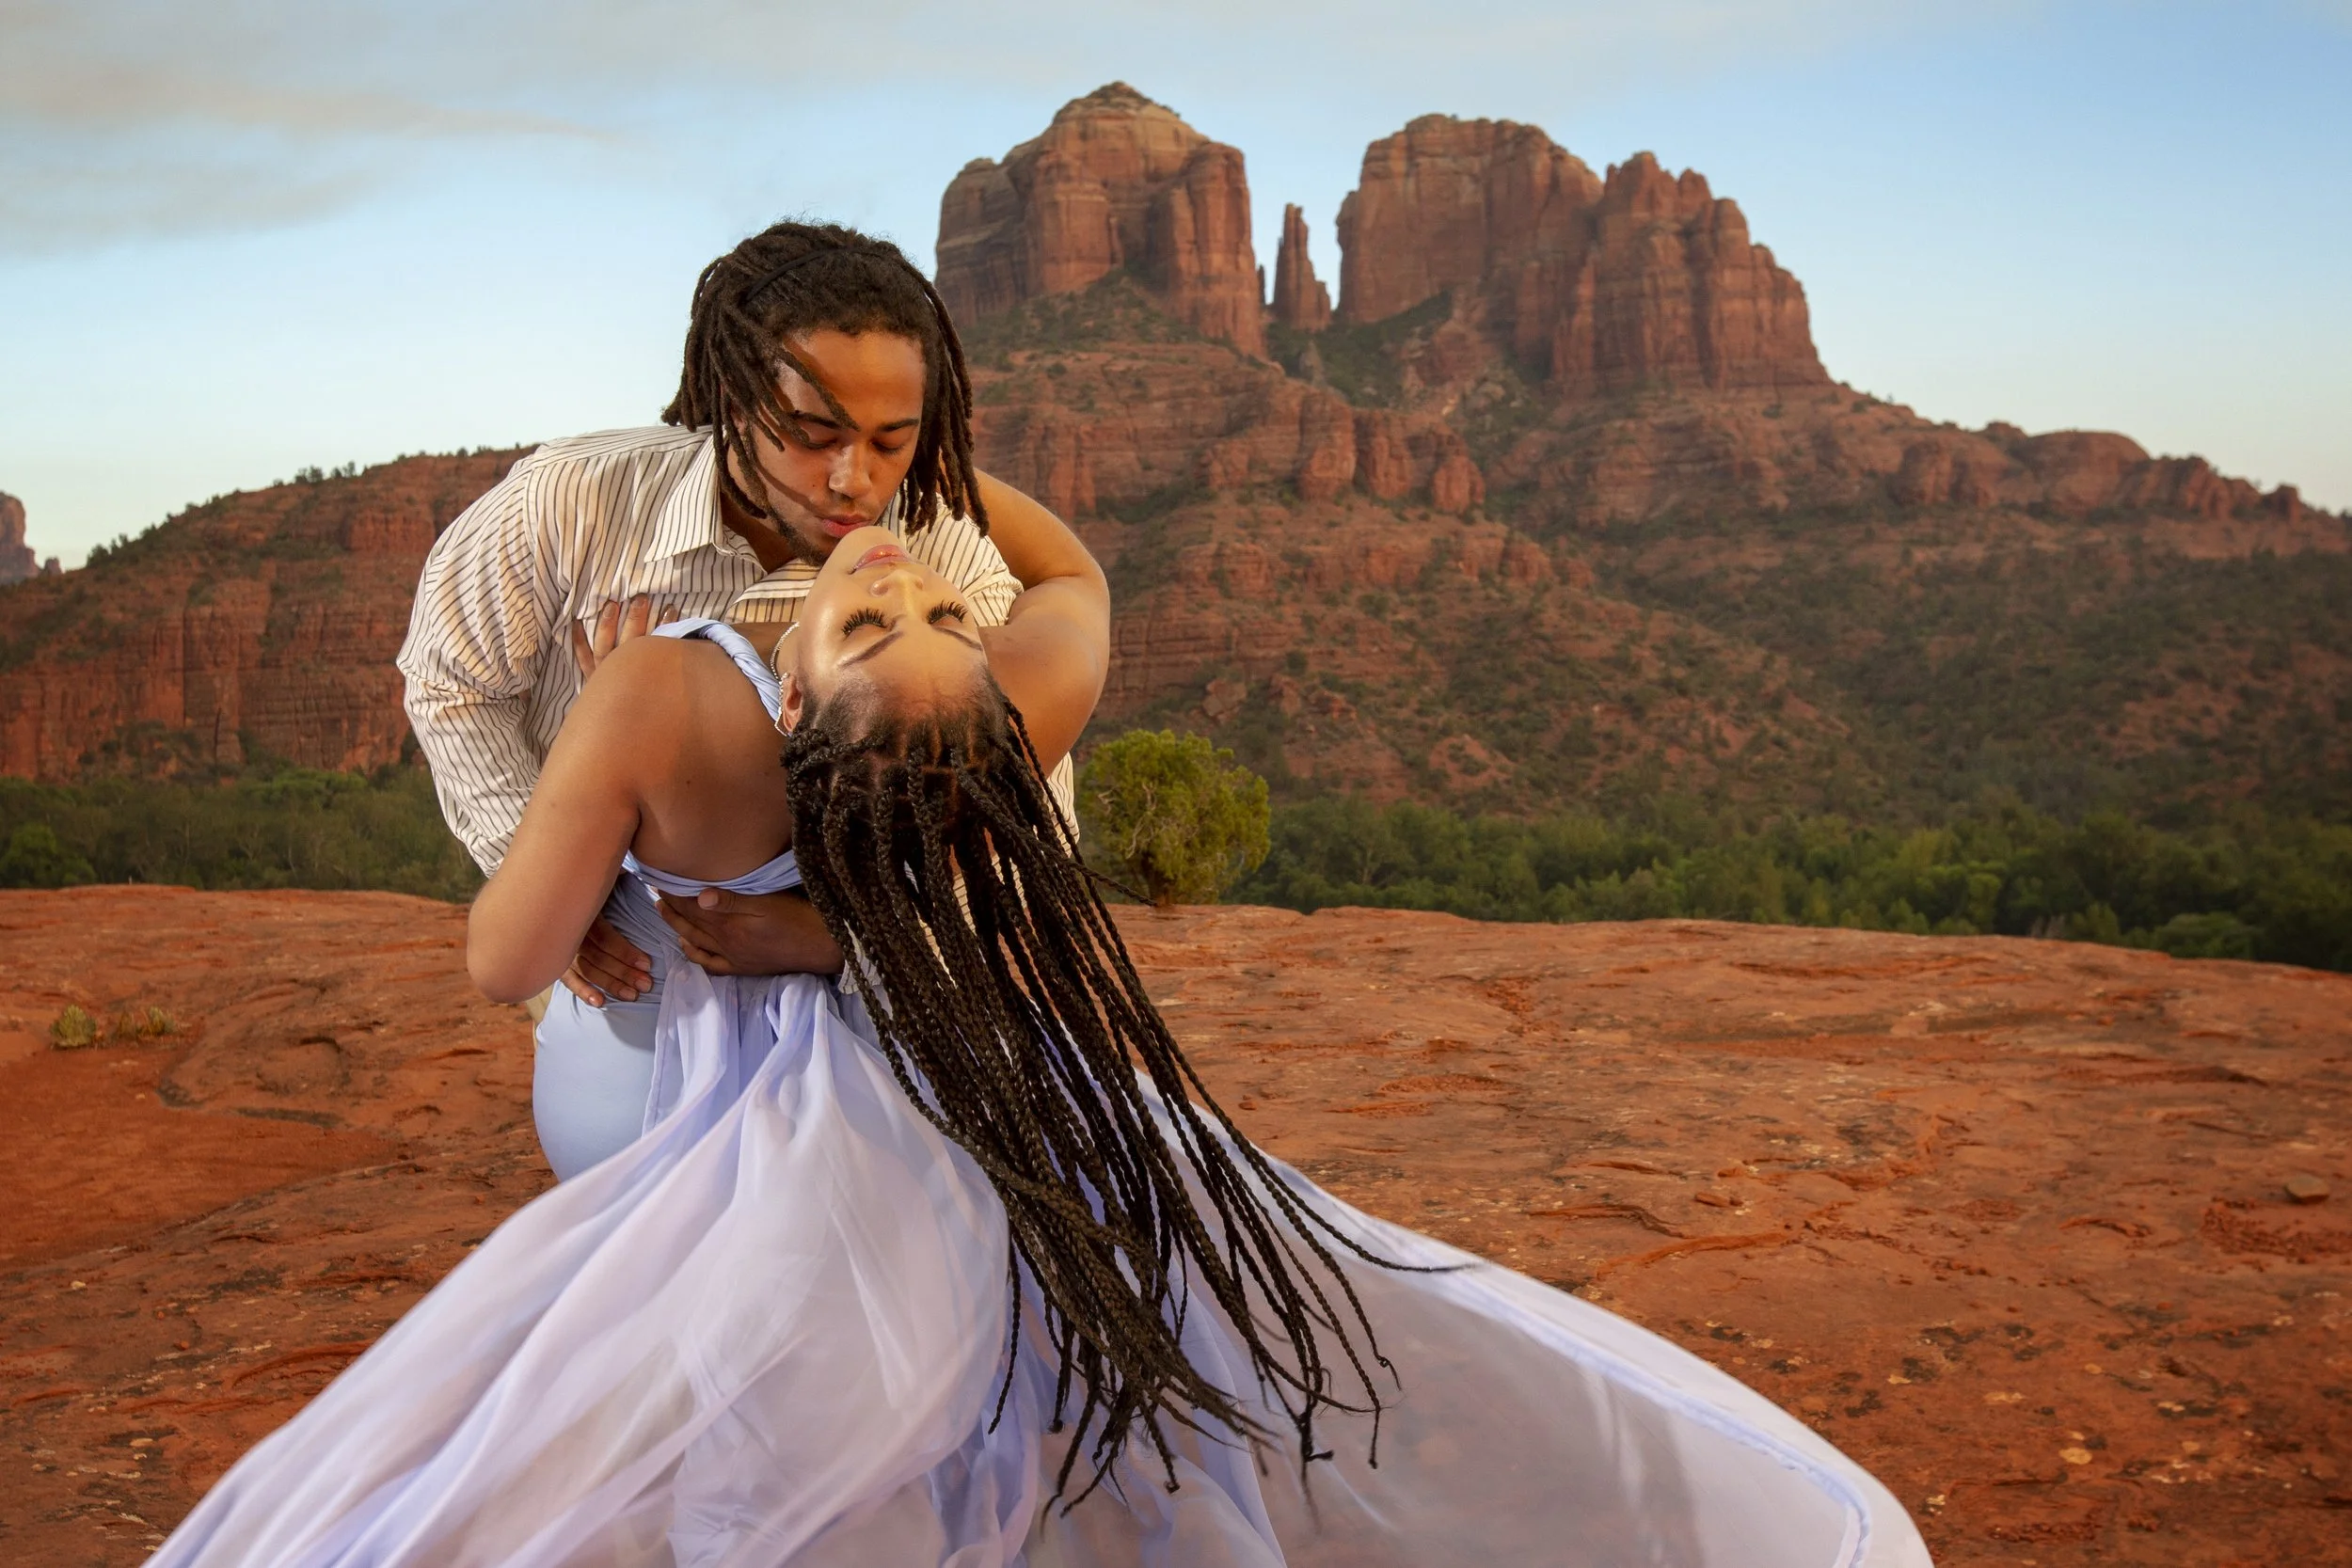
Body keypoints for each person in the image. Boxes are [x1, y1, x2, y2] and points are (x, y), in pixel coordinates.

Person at [151, 534, 1931, 1566]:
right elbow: (1067, 568)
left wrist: (614, 856)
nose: (905, 580)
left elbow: (498, 960)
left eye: (912, 611)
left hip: (779, 1108)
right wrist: (946, 484)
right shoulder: (988, 725)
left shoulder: (696, 701)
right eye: (907, 611)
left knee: (762, 1404)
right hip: (971, 1081)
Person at [395, 219, 1075, 1009]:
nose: (853, 480)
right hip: (623, 989)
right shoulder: (570, 503)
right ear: (735, 399)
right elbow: (451, 681)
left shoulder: (944, 571)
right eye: (813, 435)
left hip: (862, 1004)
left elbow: (1022, 814)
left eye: (893, 443)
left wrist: (840, 942)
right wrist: (550, 879)